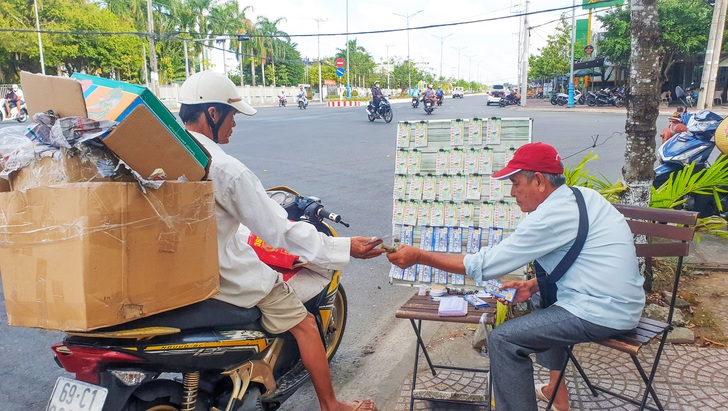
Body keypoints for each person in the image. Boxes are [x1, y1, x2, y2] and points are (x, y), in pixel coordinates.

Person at [178, 71, 383, 411]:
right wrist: (346, 247)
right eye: (232, 115)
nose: (235, 123)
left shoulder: (163, 154)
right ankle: (331, 404)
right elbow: (280, 231)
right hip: (223, 277)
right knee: (304, 324)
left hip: (177, 275)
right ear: (212, 114)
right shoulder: (225, 169)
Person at [387, 142, 645, 411]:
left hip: (603, 312)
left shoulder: (548, 218)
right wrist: (534, 285)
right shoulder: (583, 196)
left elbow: (485, 265)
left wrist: (419, 256)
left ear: (538, 181)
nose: (512, 193)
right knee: (542, 300)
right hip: (622, 301)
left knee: (504, 340)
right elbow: (590, 259)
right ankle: (557, 393)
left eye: (515, 183)